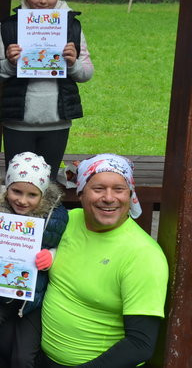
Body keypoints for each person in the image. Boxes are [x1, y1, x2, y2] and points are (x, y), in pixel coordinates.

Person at [40, 154, 169, 367]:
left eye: (119, 189)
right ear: (80, 193)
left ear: (130, 194)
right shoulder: (68, 221)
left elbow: (140, 344)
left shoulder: (144, 256)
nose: (109, 198)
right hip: (39, 355)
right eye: (98, 189)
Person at [0, 152, 68, 368]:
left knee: (23, 357)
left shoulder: (54, 218)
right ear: (7, 187)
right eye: (16, 191)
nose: (22, 200)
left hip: (33, 301)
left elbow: (63, 248)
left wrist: (51, 256)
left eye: (32, 195)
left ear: (43, 195)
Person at [0, 0, 94, 180]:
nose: (43, 0)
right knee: (18, 185)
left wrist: (73, 63)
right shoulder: (9, 26)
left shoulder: (72, 26)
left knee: (47, 185)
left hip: (57, 121)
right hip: (18, 122)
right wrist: (11, 63)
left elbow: (87, 73)